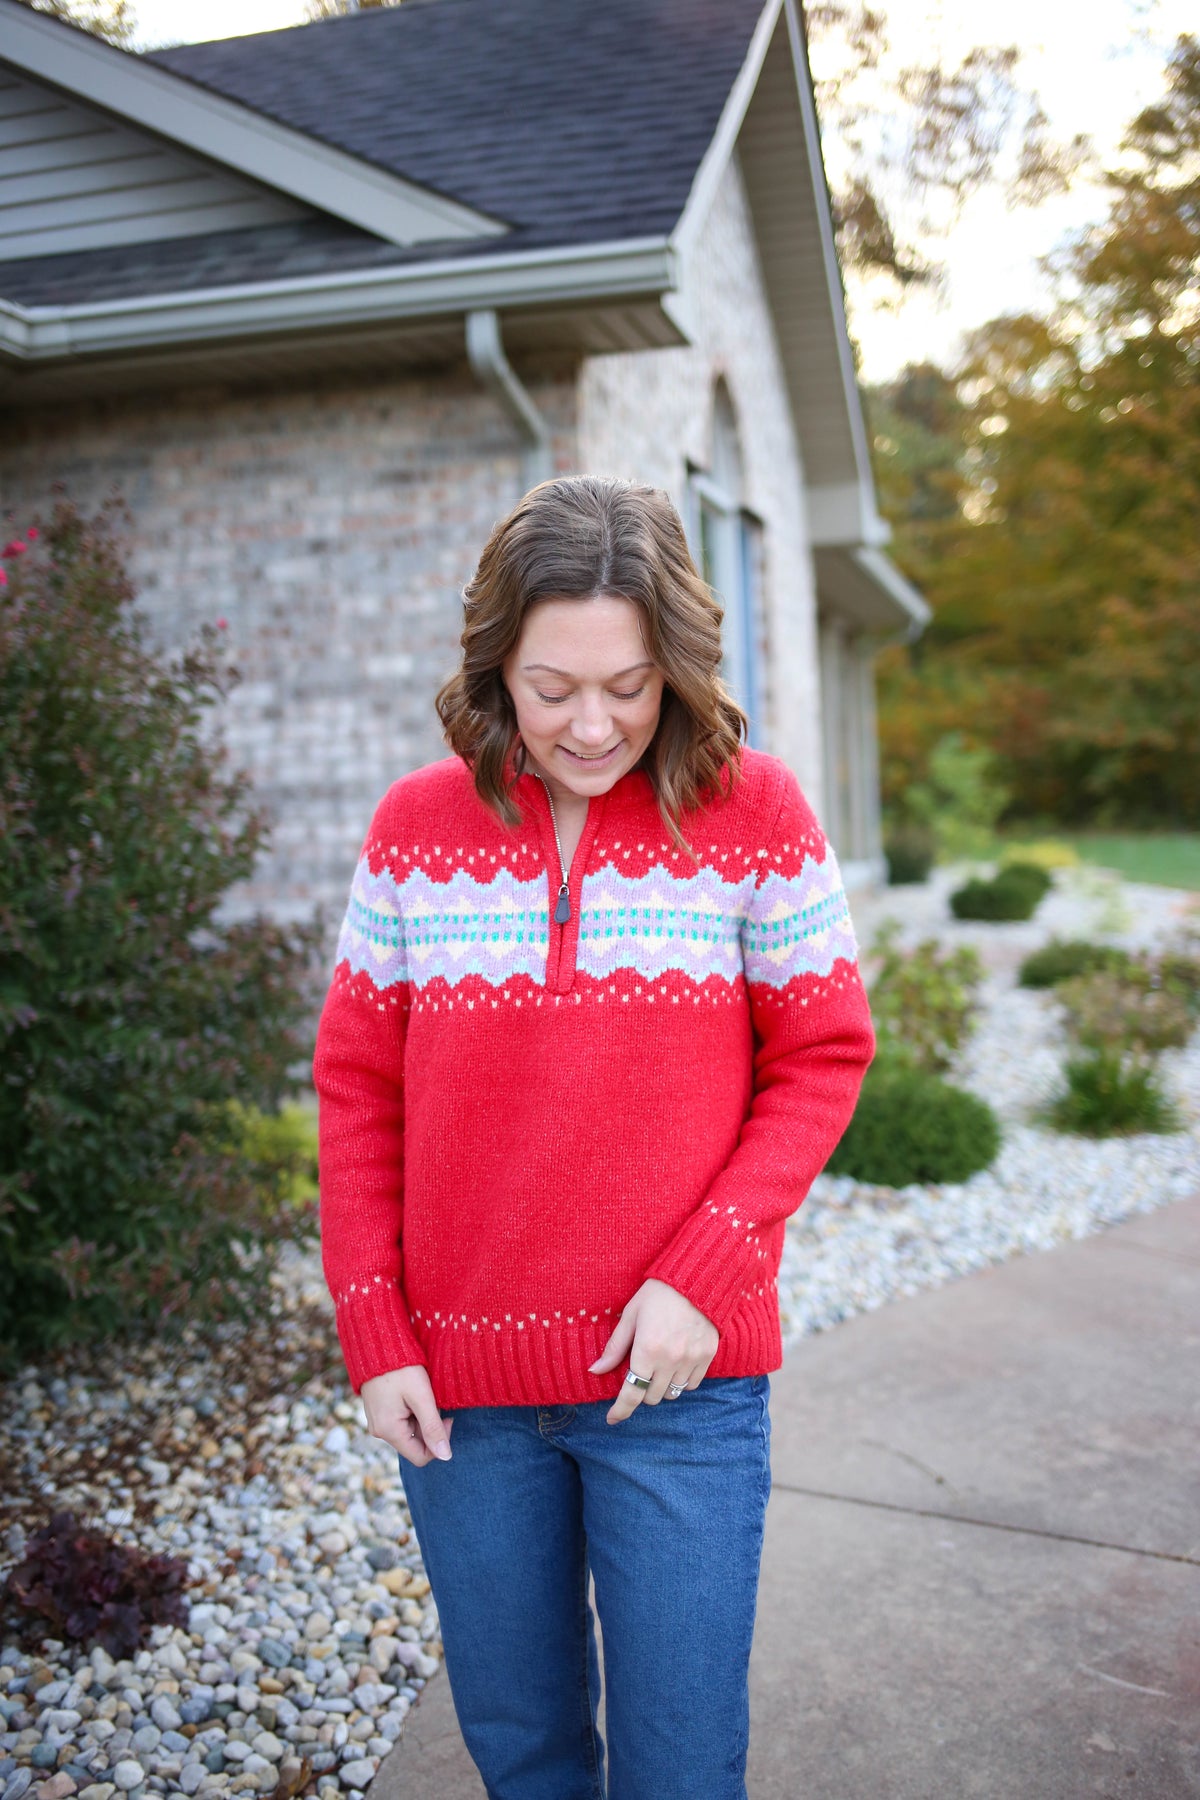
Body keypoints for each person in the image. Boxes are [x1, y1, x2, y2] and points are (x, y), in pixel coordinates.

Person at [311, 473, 875, 1800]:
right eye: (550, 687)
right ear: (494, 668)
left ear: (675, 663)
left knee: (681, 1765)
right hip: (465, 1402)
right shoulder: (413, 830)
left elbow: (823, 1057)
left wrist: (707, 1272)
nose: (590, 724)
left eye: (628, 686)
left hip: (680, 1392)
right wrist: (375, 1329)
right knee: (525, 1753)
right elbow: (356, 1092)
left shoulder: (755, 814)